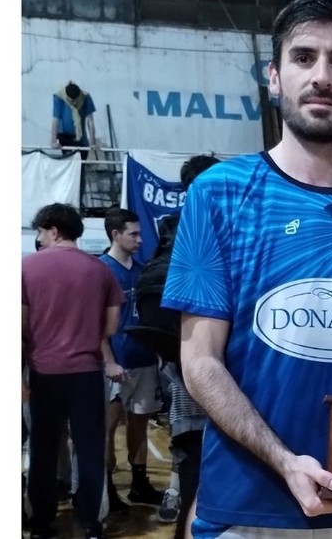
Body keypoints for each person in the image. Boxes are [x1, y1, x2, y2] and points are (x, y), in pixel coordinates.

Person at [161, 0, 332, 538]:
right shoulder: (219, 196)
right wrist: (283, 461)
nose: (322, 76)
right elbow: (201, 362)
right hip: (246, 505)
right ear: (275, 77)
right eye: (304, 58)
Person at [22, 203, 125, 539]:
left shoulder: (27, 267)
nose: (40, 238)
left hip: (44, 372)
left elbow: (18, 327)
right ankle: (91, 523)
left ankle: (41, 524)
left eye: (39, 232)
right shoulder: (100, 271)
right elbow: (110, 327)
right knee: (90, 449)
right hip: (86, 373)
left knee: (44, 450)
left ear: (52, 230)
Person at [133, 154, 221, 537]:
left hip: (178, 363)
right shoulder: (211, 225)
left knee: (190, 462)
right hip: (207, 374)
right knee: (206, 471)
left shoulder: (172, 227)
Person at [99, 208, 165, 508]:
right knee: (109, 425)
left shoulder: (142, 270)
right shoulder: (101, 270)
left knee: (140, 423)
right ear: (115, 234)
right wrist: (109, 360)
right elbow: (96, 324)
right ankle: (106, 488)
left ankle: (139, 483)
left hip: (146, 360)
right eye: (133, 234)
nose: (140, 239)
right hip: (116, 362)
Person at [51, 81, 98, 160]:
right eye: (70, 101)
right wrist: (53, 141)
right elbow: (56, 120)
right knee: (69, 162)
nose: (73, 103)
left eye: (75, 101)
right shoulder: (59, 97)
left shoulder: (85, 97)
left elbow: (90, 121)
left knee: (82, 161)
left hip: (81, 138)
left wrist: (92, 143)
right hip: (65, 136)